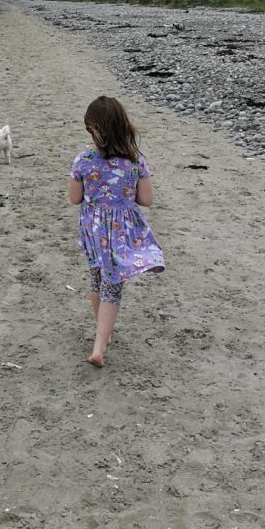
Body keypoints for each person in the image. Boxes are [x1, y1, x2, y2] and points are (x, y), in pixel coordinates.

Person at [69, 95, 165, 367]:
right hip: (121, 232)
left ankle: (103, 333)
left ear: (95, 131)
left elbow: (74, 198)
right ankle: (99, 344)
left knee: (97, 278)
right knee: (113, 286)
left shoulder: (83, 160)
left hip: (93, 230)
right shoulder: (135, 162)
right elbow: (147, 200)